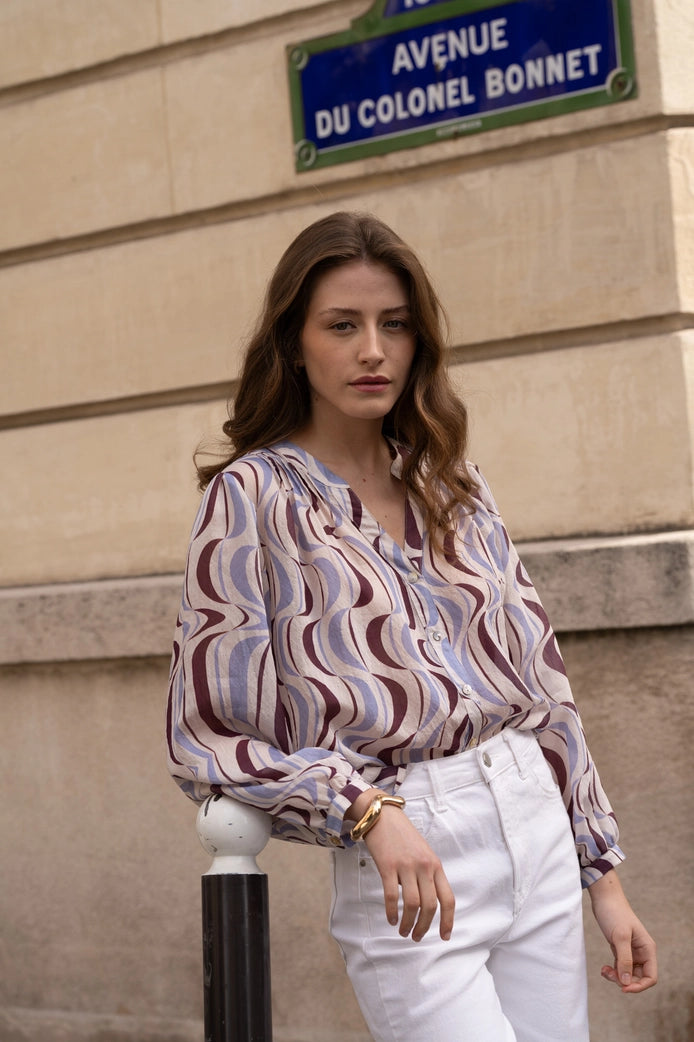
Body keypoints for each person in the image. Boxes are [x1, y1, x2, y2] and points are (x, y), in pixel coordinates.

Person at [166, 211, 657, 1041]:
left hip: (531, 822)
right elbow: (209, 734)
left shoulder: (451, 480)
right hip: (406, 851)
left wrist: (601, 879)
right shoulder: (251, 500)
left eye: (395, 325)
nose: (373, 350)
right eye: (342, 325)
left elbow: (542, 691)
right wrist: (363, 807)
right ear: (293, 344)